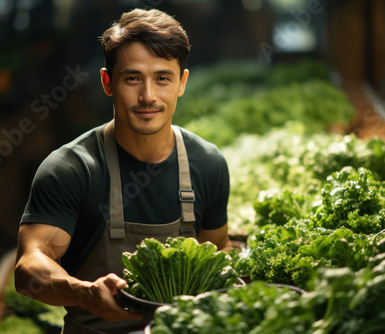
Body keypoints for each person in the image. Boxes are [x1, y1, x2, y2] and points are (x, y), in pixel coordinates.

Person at [14, 8, 232, 334]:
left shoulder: (208, 164)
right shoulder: (71, 169)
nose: (148, 96)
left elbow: (219, 252)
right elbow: (29, 267)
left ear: (182, 83)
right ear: (107, 82)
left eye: (162, 78)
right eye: (132, 78)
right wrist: (84, 293)